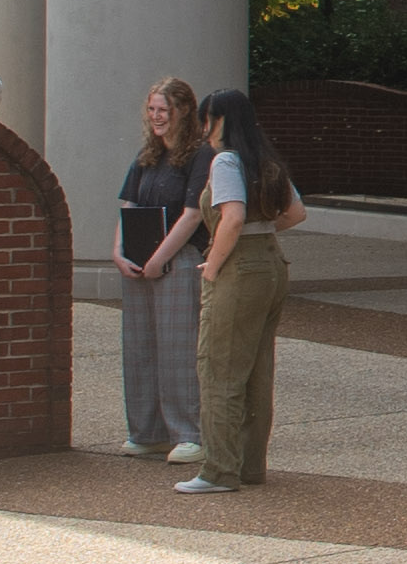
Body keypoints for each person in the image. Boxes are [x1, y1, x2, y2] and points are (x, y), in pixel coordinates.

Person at [178, 86, 295, 497]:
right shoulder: (266, 159)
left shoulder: (226, 160)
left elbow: (231, 217)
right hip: (272, 263)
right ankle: (249, 466)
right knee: (258, 369)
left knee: (220, 367)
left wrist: (213, 264)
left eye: (207, 118)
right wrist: (260, 235)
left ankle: (218, 470)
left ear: (220, 120)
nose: (204, 128)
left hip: (239, 267)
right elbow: (296, 213)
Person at [115, 75, 205, 464]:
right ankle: (147, 432)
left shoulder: (200, 157)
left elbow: (193, 213)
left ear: (183, 111)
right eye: (152, 110)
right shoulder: (147, 156)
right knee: (139, 346)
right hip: (139, 259)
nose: (157, 117)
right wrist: (119, 251)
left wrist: (161, 258)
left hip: (177, 259)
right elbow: (128, 206)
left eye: (164, 110)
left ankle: (188, 433)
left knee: (176, 348)